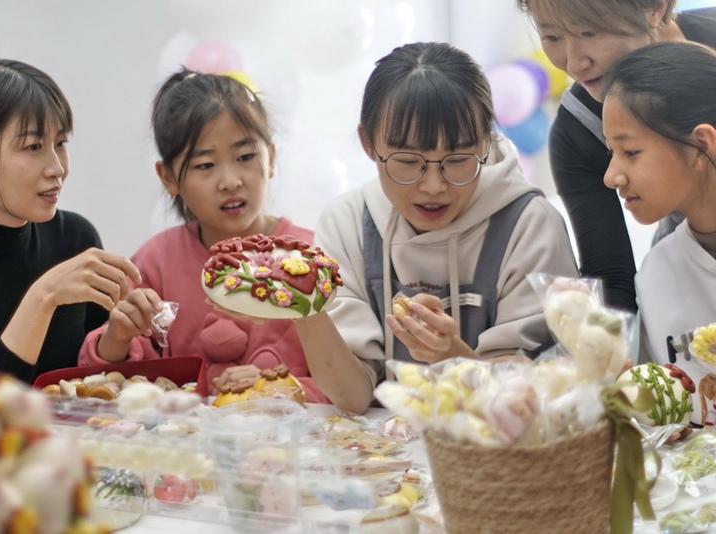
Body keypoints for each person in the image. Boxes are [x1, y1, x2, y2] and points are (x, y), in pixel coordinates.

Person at [290, 42, 579, 414]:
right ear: (367, 143)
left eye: (457, 160)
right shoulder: (347, 222)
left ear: (487, 143)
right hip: (385, 458)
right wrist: (301, 305)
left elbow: (541, 387)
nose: (433, 186)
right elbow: (352, 396)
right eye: (408, 161)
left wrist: (451, 354)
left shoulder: (528, 223)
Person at [78, 69, 327, 402]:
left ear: (271, 158)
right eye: (205, 165)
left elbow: (352, 383)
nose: (230, 181)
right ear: (168, 177)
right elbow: (108, 381)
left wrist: (278, 385)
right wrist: (118, 336)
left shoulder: (313, 255)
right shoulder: (156, 261)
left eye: (245, 157)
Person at [0, 57, 141, 383]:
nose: (57, 168)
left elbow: (99, 386)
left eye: (60, 143)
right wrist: (43, 297)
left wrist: (119, 335)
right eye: (33, 146)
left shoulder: (75, 237)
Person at [516, 0, 716, 312]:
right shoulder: (577, 130)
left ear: (656, 8)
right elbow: (612, 280)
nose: (573, 63)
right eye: (553, 38)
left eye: (589, 31)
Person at [601, 41, 716, 426]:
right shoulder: (657, 273)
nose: (611, 176)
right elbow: (677, 422)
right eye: (610, 153)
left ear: (701, 146)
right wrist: (634, 402)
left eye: (630, 152)